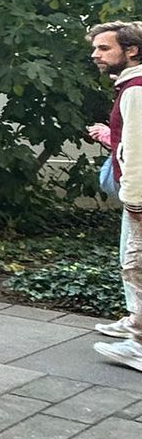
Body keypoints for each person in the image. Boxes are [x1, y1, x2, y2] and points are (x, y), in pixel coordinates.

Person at [89, 21, 142, 371]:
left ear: (132, 50)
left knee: (136, 266)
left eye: (104, 48)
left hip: (140, 195)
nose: (95, 54)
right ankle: (135, 326)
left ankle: (139, 345)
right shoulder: (130, 85)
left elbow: (137, 151)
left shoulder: (136, 90)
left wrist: (134, 201)